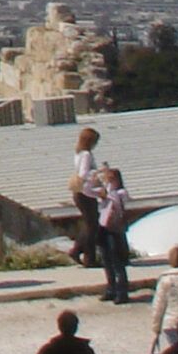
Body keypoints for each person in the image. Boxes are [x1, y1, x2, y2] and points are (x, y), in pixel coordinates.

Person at [68, 125, 106, 267]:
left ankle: (80, 252)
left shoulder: (78, 153)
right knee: (92, 226)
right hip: (86, 192)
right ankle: (86, 256)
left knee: (89, 224)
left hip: (79, 192)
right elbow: (84, 174)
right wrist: (96, 173)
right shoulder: (86, 155)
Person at [96, 167, 135, 303]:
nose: (109, 181)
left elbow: (120, 204)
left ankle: (122, 292)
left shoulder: (121, 193)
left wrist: (109, 193)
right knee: (106, 259)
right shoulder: (105, 193)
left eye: (112, 179)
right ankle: (110, 288)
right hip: (104, 227)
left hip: (116, 228)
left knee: (117, 260)